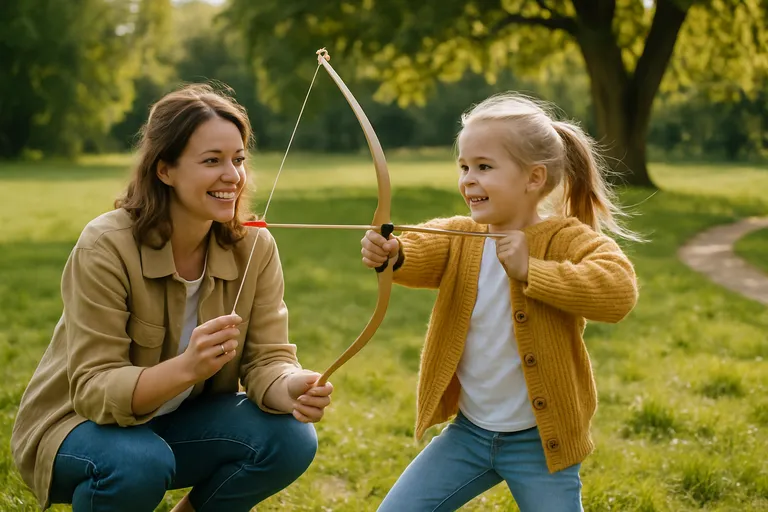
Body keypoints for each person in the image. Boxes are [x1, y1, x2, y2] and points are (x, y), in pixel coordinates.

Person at [11, 84, 333, 512]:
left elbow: (267, 359)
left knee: (290, 438)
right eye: (212, 161)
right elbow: (94, 389)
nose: (233, 176)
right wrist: (187, 368)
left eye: (238, 160)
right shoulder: (105, 245)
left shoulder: (255, 246)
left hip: (175, 423)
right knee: (140, 462)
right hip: (77, 426)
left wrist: (290, 386)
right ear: (165, 170)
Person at [361, 92, 640, 511]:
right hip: (469, 436)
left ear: (534, 178)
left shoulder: (566, 239)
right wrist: (392, 253)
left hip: (542, 445)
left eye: (484, 167)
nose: (469, 179)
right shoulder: (461, 236)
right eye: (464, 167)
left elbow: (619, 292)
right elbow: (416, 249)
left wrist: (533, 270)